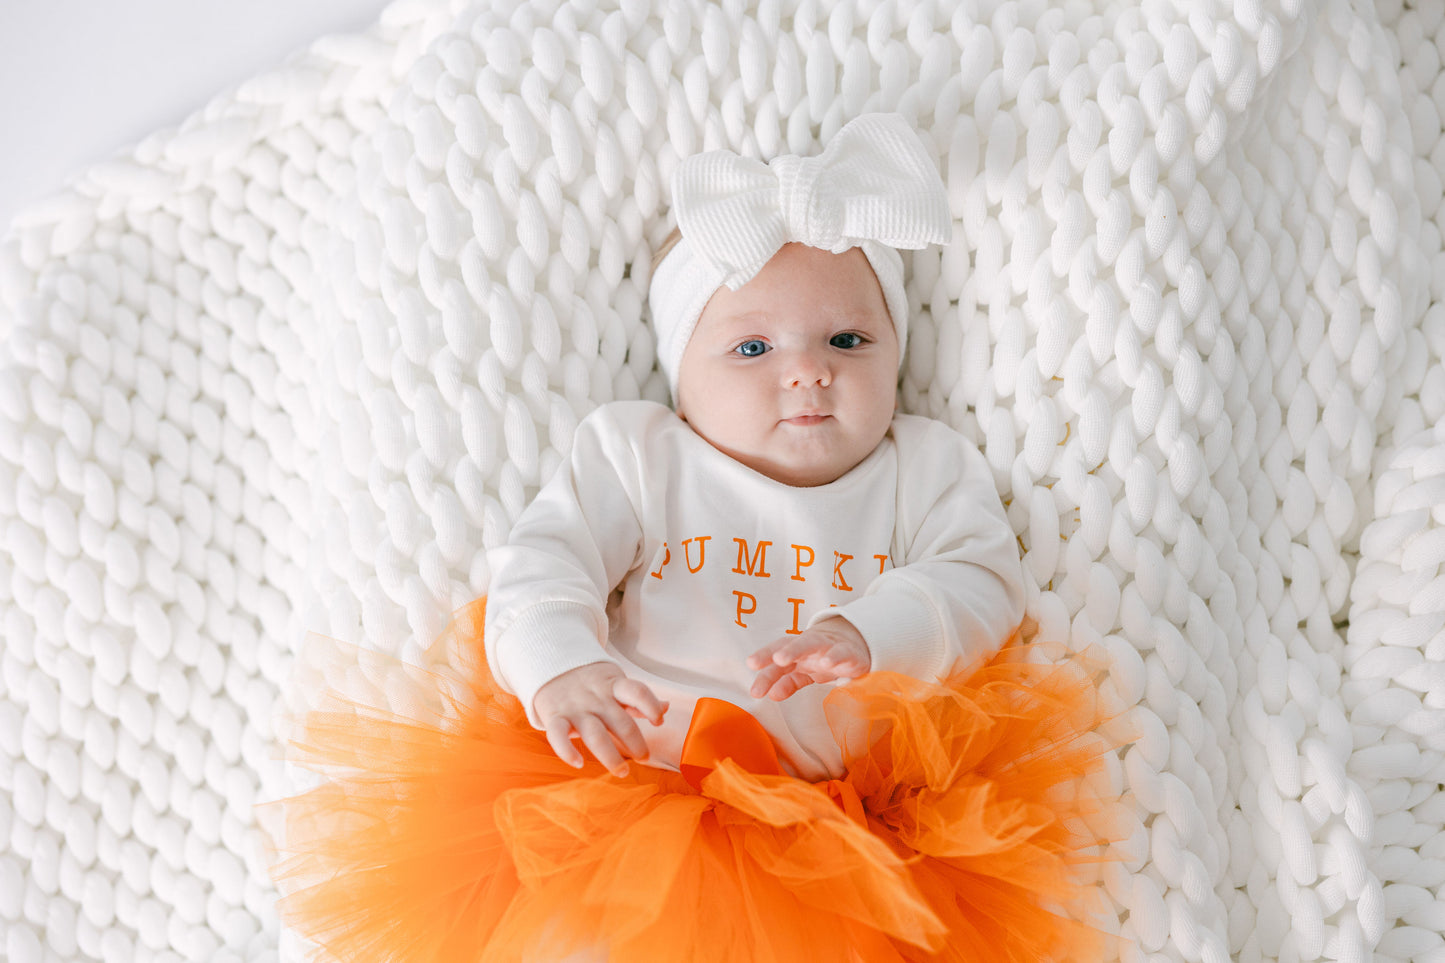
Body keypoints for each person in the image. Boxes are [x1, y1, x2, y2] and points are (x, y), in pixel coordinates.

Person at [268, 114, 1115, 963]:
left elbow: (979, 581)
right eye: (752, 347)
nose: (809, 369)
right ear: (681, 381)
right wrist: (560, 664)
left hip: (839, 832)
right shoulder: (640, 453)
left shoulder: (924, 465)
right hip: (637, 796)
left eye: (848, 340)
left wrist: (869, 630)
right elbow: (544, 561)